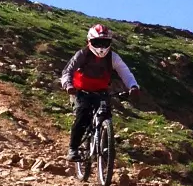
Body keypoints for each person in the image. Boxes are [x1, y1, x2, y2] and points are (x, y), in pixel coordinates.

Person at [60, 24, 140, 161]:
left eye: (105, 42)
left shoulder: (113, 58)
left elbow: (125, 72)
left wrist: (133, 86)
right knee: (82, 116)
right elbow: (68, 71)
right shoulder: (82, 55)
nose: (101, 47)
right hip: (81, 91)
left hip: (101, 91)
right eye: (97, 42)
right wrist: (68, 85)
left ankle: (105, 142)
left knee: (106, 114)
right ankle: (73, 149)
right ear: (89, 42)